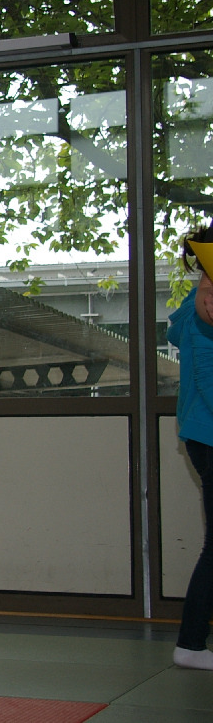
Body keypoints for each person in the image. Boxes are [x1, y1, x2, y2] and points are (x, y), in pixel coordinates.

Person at [166, 227, 213, 671]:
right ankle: (191, 643)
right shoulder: (203, 307)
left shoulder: (197, 305)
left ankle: (193, 642)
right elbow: (208, 381)